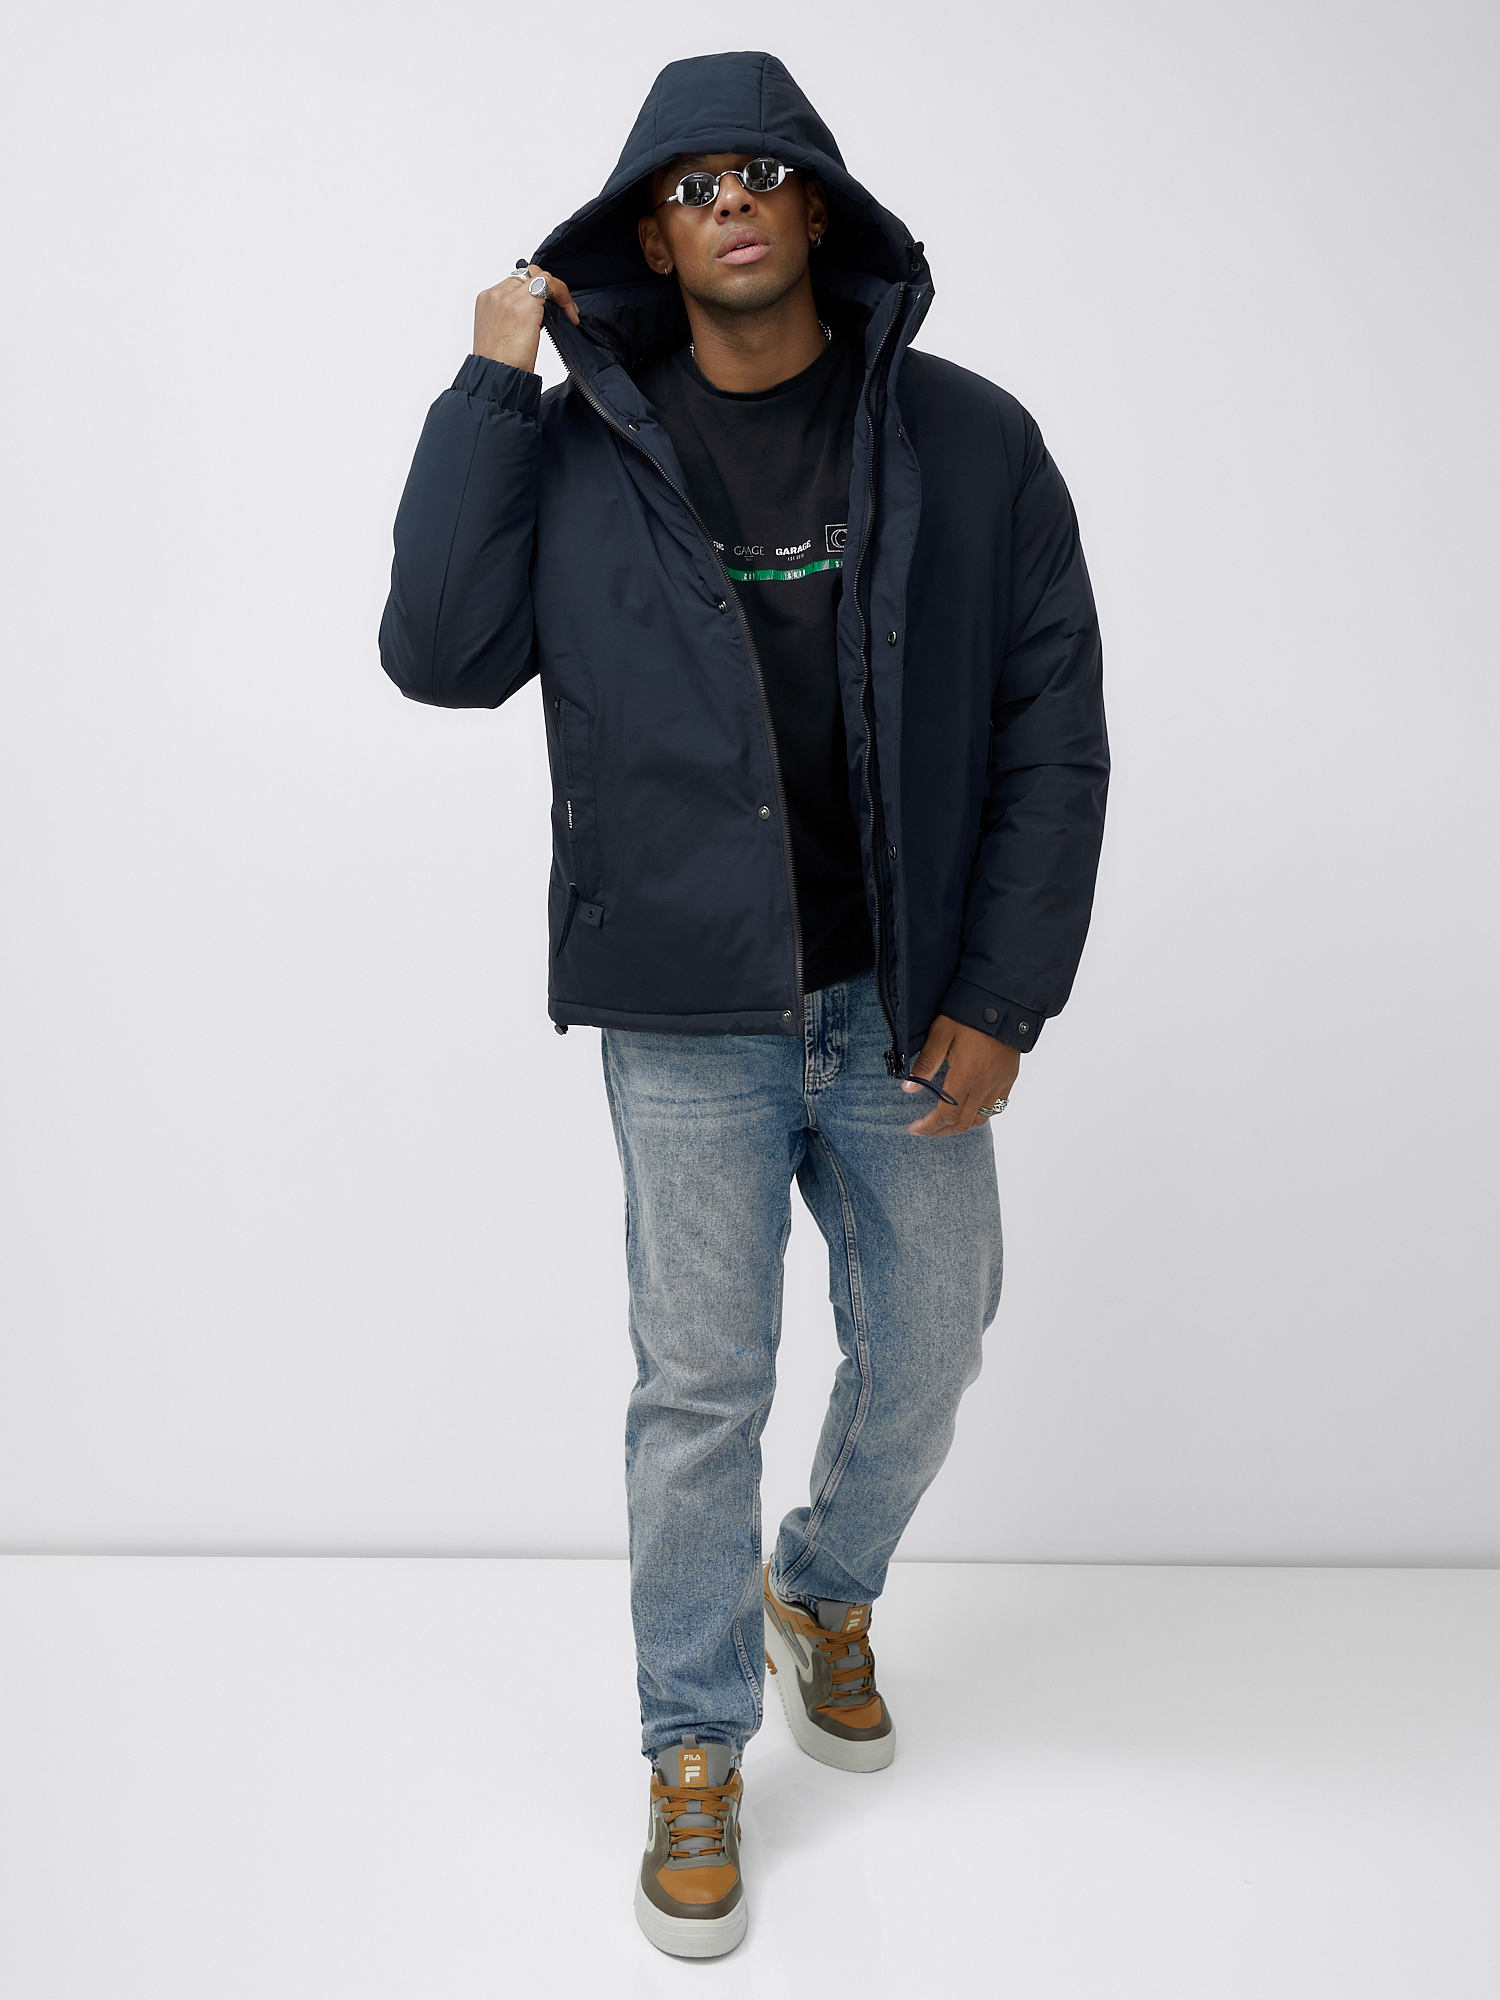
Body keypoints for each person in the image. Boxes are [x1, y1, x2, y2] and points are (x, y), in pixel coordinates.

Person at [380, 50, 1107, 1959]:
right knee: (699, 1388)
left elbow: (1053, 724)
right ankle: (691, 1743)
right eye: (690, 184)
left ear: (815, 206)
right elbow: (438, 656)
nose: (728, 204)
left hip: (905, 994)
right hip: (685, 1007)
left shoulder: (971, 438)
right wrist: (488, 385)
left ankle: (822, 1584)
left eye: (759, 173)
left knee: (935, 1336)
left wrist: (1005, 989)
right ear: (649, 236)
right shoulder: (565, 452)